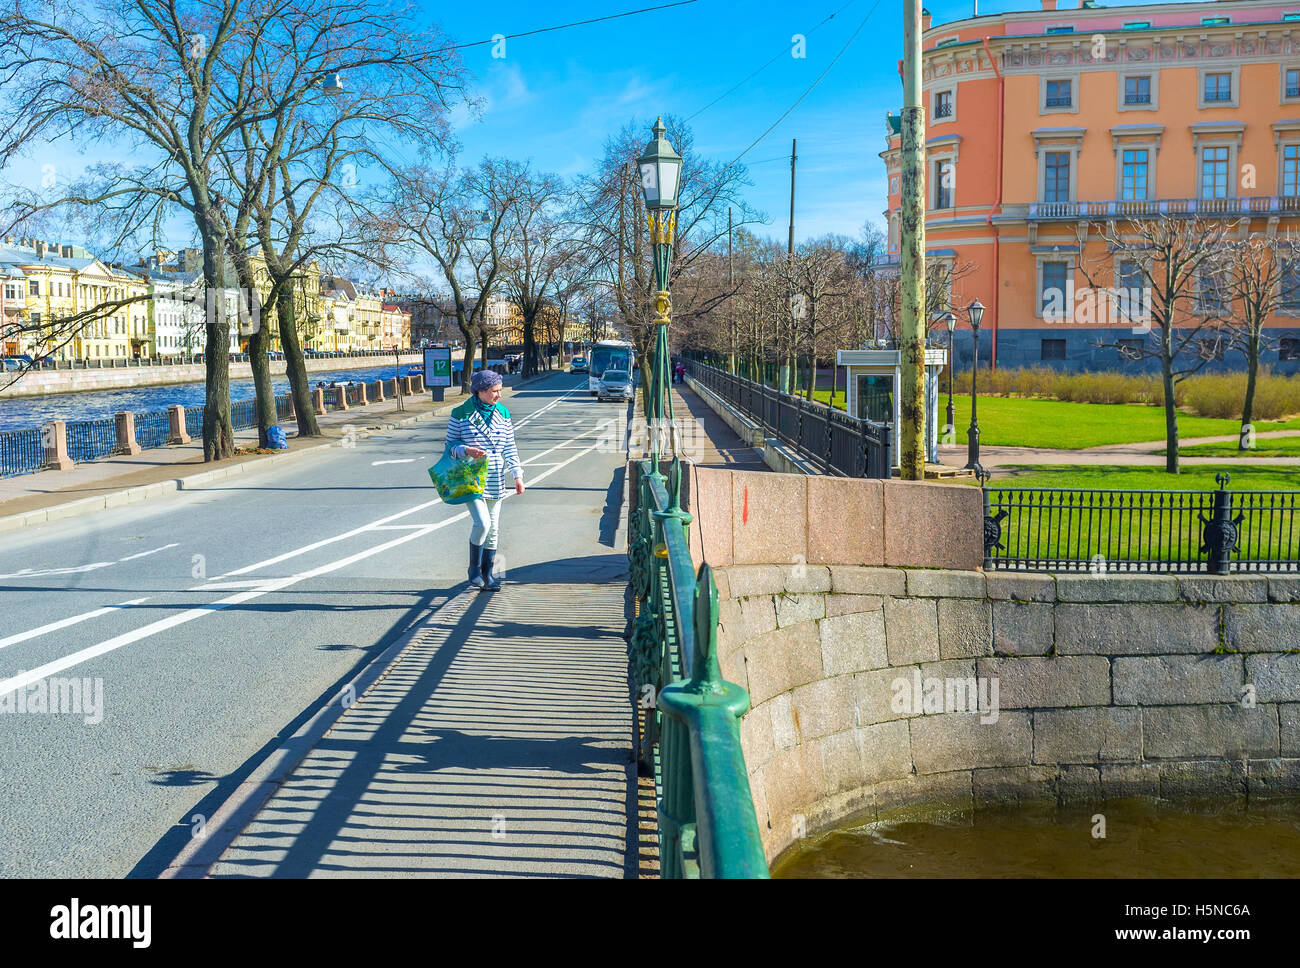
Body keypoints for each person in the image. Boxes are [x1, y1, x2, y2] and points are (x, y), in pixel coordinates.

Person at [446, 369, 524, 590]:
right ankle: (474, 570)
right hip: (471, 478)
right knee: (483, 523)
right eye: (494, 391)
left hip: (496, 477)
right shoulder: (460, 413)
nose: (499, 395)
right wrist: (466, 450)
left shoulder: (504, 413)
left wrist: (517, 475)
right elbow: (450, 447)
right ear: (480, 391)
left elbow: (509, 447)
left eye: (499, 390)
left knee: (494, 529)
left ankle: (488, 575)